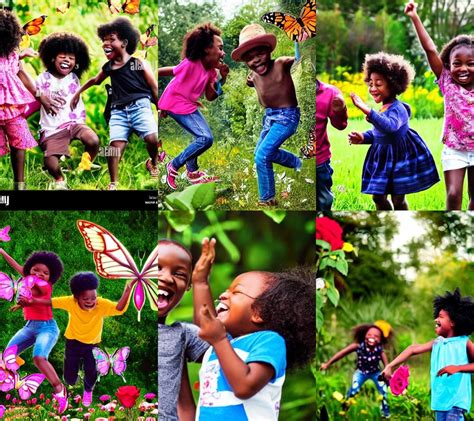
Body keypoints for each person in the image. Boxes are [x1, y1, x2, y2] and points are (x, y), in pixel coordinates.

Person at [191, 238, 315, 420]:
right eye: (227, 290)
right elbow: (205, 322)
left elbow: (245, 386)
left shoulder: (269, 341)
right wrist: (200, 281)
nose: (224, 295)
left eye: (236, 292)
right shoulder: (227, 341)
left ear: (259, 312)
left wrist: (219, 340)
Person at [19, 272, 133, 407]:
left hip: (92, 345)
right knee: (69, 378)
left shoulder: (101, 305)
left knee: (91, 371)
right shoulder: (70, 302)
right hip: (73, 343)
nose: (91, 302)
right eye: (86, 299)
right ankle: (74, 380)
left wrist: (127, 291)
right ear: (76, 297)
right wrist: (31, 301)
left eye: (93, 298)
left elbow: (119, 308)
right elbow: (50, 302)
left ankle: (88, 390)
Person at [71, 17, 159, 190]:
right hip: (118, 112)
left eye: (111, 39)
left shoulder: (137, 63)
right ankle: (113, 184)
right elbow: (95, 80)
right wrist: (77, 92)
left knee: (152, 139)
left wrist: (160, 106)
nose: (106, 43)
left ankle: (154, 163)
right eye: (104, 40)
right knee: (114, 149)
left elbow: (153, 86)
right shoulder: (109, 67)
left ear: (125, 42)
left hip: (140, 107)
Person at [405, 1, 474, 210]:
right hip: (454, 149)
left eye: (470, 63)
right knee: (453, 195)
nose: (463, 68)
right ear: (448, 64)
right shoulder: (447, 82)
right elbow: (429, 49)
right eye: (457, 63)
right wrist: (415, 17)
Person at [348, 52, 439, 210]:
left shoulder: (398, 109)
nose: (373, 88)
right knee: (378, 196)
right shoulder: (382, 109)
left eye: (378, 84)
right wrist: (363, 137)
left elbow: (390, 127)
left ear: (392, 84)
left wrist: (367, 110)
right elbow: (379, 133)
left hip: (399, 157)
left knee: (398, 198)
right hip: (382, 159)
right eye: (370, 83)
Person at [231, 24, 302, 207]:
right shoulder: (253, 75)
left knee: (262, 155)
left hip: (287, 117)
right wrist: (249, 79)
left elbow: (296, 58)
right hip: (269, 117)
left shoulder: (280, 64)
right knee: (260, 153)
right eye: (250, 58)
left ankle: (267, 198)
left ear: (269, 50)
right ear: (245, 61)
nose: (256, 60)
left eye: (260, 54)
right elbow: (252, 81)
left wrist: (297, 42)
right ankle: (296, 162)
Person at [382, 289, 474, 420]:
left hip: (456, 402)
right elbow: (413, 349)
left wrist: (458, 368)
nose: (436, 319)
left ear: (453, 321)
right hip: (439, 402)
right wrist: (390, 366)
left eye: (441, 316)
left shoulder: (464, 343)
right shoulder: (437, 343)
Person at [159, 22, 228, 190]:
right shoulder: (191, 63)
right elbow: (165, 72)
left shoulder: (211, 72)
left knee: (201, 138)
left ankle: (193, 173)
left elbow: (210, 96)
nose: (223, 53)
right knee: (206, 138)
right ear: (206, 49)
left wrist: (222, 79)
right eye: (220, 48)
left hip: (188, 105)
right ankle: (173, 166)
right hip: (174, 103)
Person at [0, 249, 68, 414]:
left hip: (47, 328)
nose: (39, 274)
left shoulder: (46, 285)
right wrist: (2, 251)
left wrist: (29, 301)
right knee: (7, 356)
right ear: (29, 269)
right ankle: (10, 381)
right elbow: (16, 266)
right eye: (35, 270)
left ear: (50, 276)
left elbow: (44, 301)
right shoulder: (28, 278)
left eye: (45, 272)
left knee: (38, 357)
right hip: (30, 327)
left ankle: (59, 389)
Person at [35, 32, 99, 190]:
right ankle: (59, 179)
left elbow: (90, 82)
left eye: (71, 58)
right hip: (53, 128)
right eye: (62, 56)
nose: (67, 60)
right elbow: (34, 91)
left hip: (74, 122)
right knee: (50, 159)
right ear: (52, 58)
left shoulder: (74, 78)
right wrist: (42, 96)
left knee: (93, 140)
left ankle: (83, 167)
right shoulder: (43, 79)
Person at [158, 239, 210, 421]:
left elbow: (214, 340)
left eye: (179, 274)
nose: (166, 277)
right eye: (157, 268)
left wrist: (201, 282)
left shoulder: (181, 334)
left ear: (188, 286)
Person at [0, 9, 39, 190]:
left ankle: (19, 184)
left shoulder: (12, 54)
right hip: (8, 107)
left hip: (12, 107)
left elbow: (20, 72)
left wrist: (41, 96)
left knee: (19, 139)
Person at [320, 322, 392, 418]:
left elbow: (387, 366)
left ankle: (386, 415)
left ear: (380, 340)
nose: (372, 337)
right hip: (361, 372)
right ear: (365, 335)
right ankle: (344, 411)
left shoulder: (380, 350)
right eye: (369, 334)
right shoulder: (358, 346)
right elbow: (341, 353)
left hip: (375, 373)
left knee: (384, 391)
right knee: (353, 390)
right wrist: (327, 364)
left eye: (376, 336)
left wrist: (387, 375)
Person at [315, 79, 348, 210]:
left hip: (318, 161)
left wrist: (341, 110)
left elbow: (341, 125)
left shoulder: (330, 93)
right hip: (290, 158)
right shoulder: (285, 88)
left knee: (323, 201)